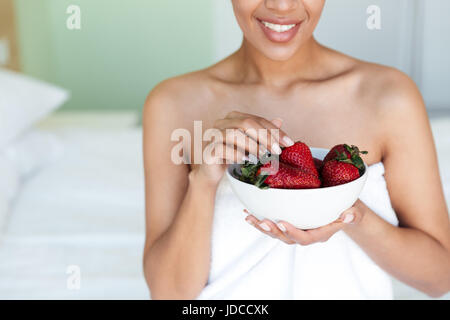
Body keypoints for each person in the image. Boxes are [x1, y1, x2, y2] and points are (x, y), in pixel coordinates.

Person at [142, 0, 450, 299]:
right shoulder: (173, 103)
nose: (281, 5)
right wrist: (204, 180)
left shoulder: (390, 96)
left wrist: (348, 213)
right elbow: (168, 294)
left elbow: (439, 279)